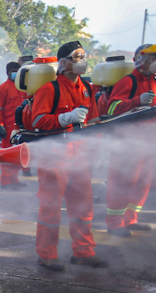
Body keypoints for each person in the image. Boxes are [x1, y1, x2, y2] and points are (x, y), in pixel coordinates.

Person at [29, 42, 107, 271]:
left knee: (83, 206)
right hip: (54, 157)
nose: (82, 61)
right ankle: (46, 254)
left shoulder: (87, 88)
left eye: (84, 56)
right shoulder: (49, 89)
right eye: (77, 57)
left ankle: (84, 251)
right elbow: (37, 121)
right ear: (63, 63)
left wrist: (99, 147)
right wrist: (65, 118)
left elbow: (93, 121)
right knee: (50, 207)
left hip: (81, 157)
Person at [104, 44, 156, 236]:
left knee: (142, 184)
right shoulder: (128, 82)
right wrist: (137, 101)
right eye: (153, 57)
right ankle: (114, 223)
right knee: (122, 182)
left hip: (148, 143)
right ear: (141, 60)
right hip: (127, 144)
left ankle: (130, 219)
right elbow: (112, 108)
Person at [0, 62, 26, 188]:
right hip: (8, 127)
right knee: (7, 154)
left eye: (18, 70)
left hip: (22, 128)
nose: (16, 73)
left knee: (19, 154)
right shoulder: (3, 88)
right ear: (7, 73)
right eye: (13, 71)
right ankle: (6, 181)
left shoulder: (23, 87)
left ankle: (14, 179)